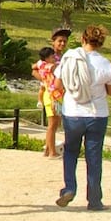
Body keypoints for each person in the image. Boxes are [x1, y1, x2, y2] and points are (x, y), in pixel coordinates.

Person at [58, 25, 111, 211]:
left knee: (70, 152)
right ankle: (94, 200)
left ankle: (69, 188)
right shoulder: (105, 63)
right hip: (97, 114)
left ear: (83, 39)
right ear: (101, 43)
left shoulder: (69, 58)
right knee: (94, 157)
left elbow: (58, 84)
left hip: (73, 112)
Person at [40, 28, 72, 158]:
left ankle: (48, 149)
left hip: (59, 94)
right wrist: (46, 82)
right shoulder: (49, 57)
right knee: (53, 124)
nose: (62, 44)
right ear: (53, 41)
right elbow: (36, 69)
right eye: (60, 41)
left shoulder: (63, 57)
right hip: (52, 94)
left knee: (55, 123)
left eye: (64, 41)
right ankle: (52, 151)